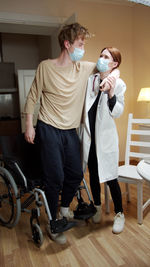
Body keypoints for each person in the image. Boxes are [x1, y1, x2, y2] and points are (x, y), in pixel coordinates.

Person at [24, 23, 118, 244]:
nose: (83, 48)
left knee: (76, 173)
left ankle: (64, 209)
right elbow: (31, 98)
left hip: (70, 131)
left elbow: (111, 67)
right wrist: (29, 125)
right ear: (67, 44)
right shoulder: (45, 67)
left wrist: (113, 73)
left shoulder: (83, 68)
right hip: (48, 128)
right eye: (80, 44)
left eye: (84, 44)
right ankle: (53, 222)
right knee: (54, 177)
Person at [81, 47, 126, 234]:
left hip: (105, 139)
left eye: (106, 56)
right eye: (100, 55)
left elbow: (117, 111)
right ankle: (97, 207)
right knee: (93, 175)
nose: (101, 58)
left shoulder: (119, 84)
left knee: (111, 177)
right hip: (90, 138)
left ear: (114, 63)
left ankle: (119, 214)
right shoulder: (91, 80)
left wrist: (110, 92)